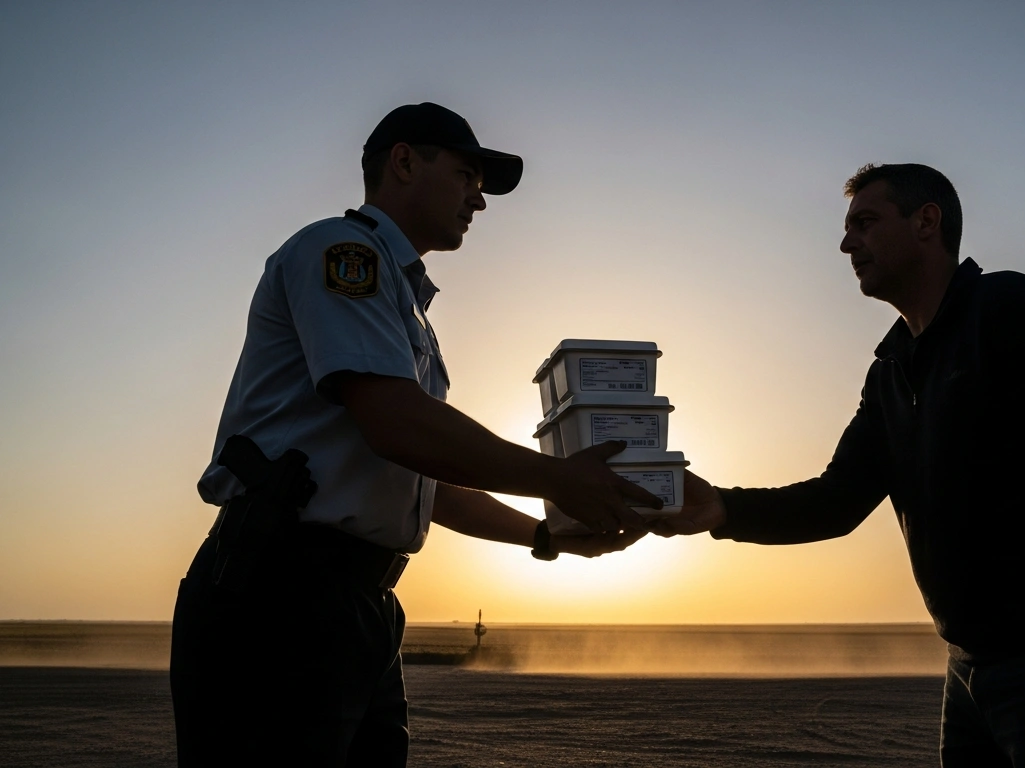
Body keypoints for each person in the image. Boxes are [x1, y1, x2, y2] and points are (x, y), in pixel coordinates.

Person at [170, 102, 659, 767]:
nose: (477, 201)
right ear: (404, 161)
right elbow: (396, 424)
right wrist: (556, 477)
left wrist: (548, 537)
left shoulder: (405, 306)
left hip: (357, 605)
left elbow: (422, 479)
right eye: (465, 175)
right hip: (282, 597)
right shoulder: (339, 254)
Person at [653, 163, 1025, 767]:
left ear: (926, 221)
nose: (846, 243)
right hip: (967, 672)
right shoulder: (889, 371)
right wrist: (720, 507)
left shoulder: (1012, 309)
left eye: (864, 222)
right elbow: (836, 500)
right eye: (846, 229)